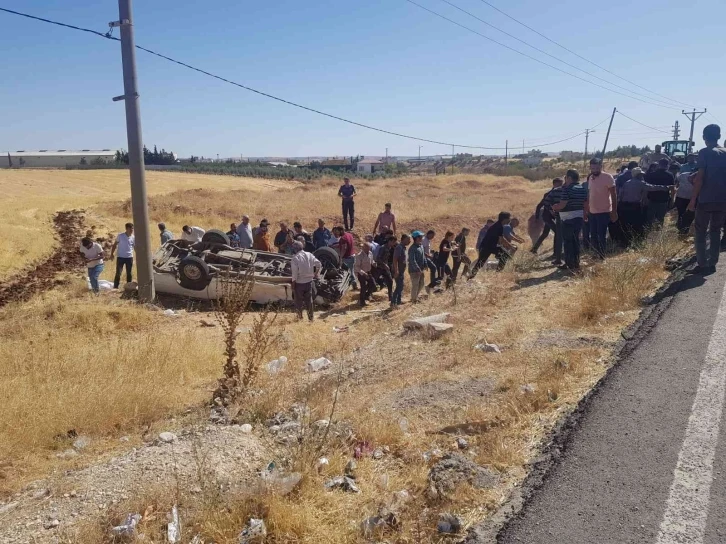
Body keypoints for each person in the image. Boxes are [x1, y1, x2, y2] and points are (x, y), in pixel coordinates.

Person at [688, 124, 726, 274]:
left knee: (701, 231)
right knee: (716, 230)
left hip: (706, 199)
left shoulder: (704, 153)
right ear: (719, 136)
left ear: (704, 137)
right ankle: (712, 263)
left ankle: (702, 264)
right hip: (723, 200)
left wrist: (692, 200)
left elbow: (700, 179)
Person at [618, 167, 672, 244]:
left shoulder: (627, 182)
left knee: (626, 224)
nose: (642, 176)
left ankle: (625, 241)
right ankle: (636, 241)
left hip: (624, 206)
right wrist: (667, 187)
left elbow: (620, 195)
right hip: (635, 206)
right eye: (641, 175)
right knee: (637, 224)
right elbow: (653, 187)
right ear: (638, 175)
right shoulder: (641, 183)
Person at [552, 169, 587, 270]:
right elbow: (585, 203)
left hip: (567, 218)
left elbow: (562, 204)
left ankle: (569, 263)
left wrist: (555, 207)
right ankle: (576, 262)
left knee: (568, 241)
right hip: (579, 217)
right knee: (576, 240)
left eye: (566, 178)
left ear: (569, 178)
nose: (565, 180)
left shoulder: (567, 189)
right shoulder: (582, 188)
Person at [585, 158, 617, 259]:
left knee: (601, 235)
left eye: (597, 167)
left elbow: (614, 195)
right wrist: (586, 209)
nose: (594, 170)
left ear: (601, 166)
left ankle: (602, 255)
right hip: (592, 211)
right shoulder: (590, 178)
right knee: (593, 235)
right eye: (592, 168)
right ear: (590, 168)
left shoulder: (608, 177)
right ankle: (595, 253)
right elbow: (589, 194)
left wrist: (614, 211)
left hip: (604, 211)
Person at [469, 212, 514, 276]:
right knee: (480, 263)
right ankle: (471, 276)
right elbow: (501, 239)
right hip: (486, 247)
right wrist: (511, 246)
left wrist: (507, 245)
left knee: (504, 256)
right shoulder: (498, 226)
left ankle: (498, 273)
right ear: (504, 219)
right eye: (509, 218)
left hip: (491, 247)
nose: (510, 220)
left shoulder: (499, 225)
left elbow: (500, 239)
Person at [531, 178, 563, 264]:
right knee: (557, 232)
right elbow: (539, 205)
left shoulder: (561, 192)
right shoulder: (548, 194)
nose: (561, 186)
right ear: (554, 184)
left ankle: (534, 249)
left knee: (545, 233)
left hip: (552, 217)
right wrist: (537, 217)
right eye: (559, 184)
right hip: (547, 216)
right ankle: (556, 253)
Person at [290, 240, 321, 321]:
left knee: (298, 302)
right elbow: (319, 264)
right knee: (309, 301)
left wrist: (293, 284)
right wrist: (315, 273)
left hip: (299, 283)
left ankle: (299, 318)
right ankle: (311, 318)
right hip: (309, 282)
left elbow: (294, 274)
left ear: (295, 249)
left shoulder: (295, 258)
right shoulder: (309, 255)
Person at [644, 158, 675, 227]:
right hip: (663, 199)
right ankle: (658, 233)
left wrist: (645, 198)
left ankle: (648, 232)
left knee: (650, 218)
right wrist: (672, 200)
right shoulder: (670, 175)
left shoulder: (652, 174)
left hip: (652, 199)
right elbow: (672, 188)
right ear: (667, 165)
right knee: (660, 218)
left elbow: (646, 187)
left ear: (659, 165)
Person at [110, 223, 135, 289]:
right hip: (120, 257)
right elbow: (115, 245)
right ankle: (115, 287)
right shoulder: (120, 236)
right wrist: (112, 254)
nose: (132, 230)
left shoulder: (133, 237)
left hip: (129, 257)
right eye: (130, 228)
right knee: (118, 273)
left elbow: (134, 247)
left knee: (129, 273)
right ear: (126, 229)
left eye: (132, 228)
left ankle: (129, 287)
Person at [334, 226, 358, 290]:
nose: (337, 233)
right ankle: (353, 284)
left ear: (341, 231)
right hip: (352, 255)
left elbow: (344, 248)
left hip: (347, 257)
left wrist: (341, 258)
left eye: (338, 232)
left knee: (348, 272)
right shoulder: (349, 235)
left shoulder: (343, 238)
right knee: (351, 270)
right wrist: (334, 246)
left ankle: (354, 285)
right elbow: (345, 244)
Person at [374, 235, 396, 302]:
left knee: (390, 281)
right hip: (380, 267)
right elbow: (378, 258)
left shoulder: (390, 248)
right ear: (389, 241)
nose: (394, 243)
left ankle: (390, 297)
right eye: (393, 242)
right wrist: (384, 264)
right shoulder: (383, 247)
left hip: (385, 268)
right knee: (373, 282)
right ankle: (366, 296)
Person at [675, 168, 697, 235]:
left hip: (689, 198)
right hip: (681, 197)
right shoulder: (683, 175)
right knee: (681, 213)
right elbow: (677, 183)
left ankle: (683, 229)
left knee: (687, 214)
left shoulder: (699, 178)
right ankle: (681, 227)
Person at [354, 242, 376, 306]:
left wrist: (374, 264)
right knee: (363, 287)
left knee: (373, 284)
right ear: (363, 248)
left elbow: (372, 261)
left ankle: (367, 295)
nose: (368, 250)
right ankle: (362, 301)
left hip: (368, 272)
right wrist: (363, 273)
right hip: (361, 273)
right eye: (367, 248)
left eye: (369, 248)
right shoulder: (359, 255)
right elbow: (357, 267)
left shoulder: (370, 253)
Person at [392, 234, 410, 306]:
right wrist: (396, 271)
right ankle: (393, 302)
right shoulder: (399, 247)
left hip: (401, 270)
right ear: (404, 239)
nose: (409, 241)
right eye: (408, 239)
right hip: (398, 270)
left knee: (401, 286)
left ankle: (398, 301)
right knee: (399, 286)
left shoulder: (403, 248)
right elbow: (395, 259)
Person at [408, 231, 427, 303]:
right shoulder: (412, 248)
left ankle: (415, 297)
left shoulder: (421, 246)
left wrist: (425, 264)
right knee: (415, 285)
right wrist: (417, 269)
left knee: (421, 284)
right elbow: (412, 260)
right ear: (416, 238)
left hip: (420, 269)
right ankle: (413, 299)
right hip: (414, 270)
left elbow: (423, 256)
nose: (422, 238)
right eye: (421, 237)